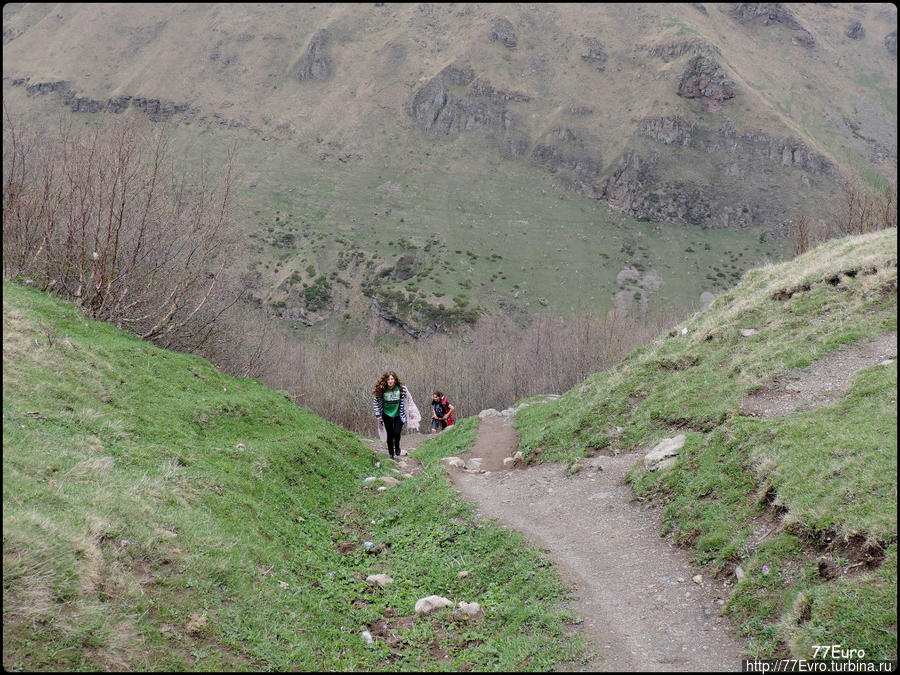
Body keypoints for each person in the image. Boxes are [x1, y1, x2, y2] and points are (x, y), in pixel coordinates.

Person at [372, 371, 408, 459]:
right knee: (390, 434)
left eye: (392, 379)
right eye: (388, 379)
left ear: (395, 380)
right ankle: (391, 453)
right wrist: (378, 415)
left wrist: (410, 412)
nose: (390, 381)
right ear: (386, 381)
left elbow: (408, 400)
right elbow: (376, 403)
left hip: (398, 414)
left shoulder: (401, 388)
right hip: (386, 414)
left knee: (397, 433)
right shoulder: (382, 389)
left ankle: (398, 448)